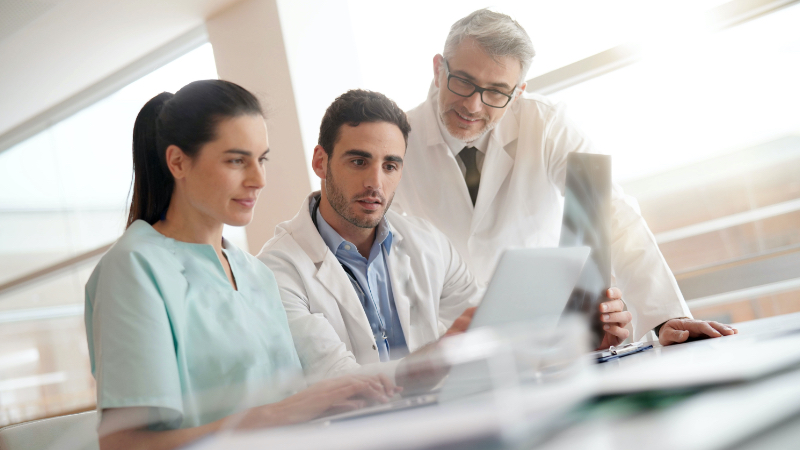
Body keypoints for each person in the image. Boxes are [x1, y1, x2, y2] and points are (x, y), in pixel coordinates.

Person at [393, 9, 738, 346]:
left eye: (496, 92)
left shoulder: (548, 125)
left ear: (519, 92)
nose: (473, 106)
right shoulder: (395, 143)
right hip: (448, 345)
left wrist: (663, 316)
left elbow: (608, 211)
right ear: (439, 69)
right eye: (464, 82)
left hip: (544, 336)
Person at [84, 80, 398, 450]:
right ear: (178, 161)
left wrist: (334, 398)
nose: (258, 179)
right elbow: (124, 444)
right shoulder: (134, 269)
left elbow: (291, 407)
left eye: (261, 159)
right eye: (236, 160)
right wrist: (279, 414)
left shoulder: (255, 274)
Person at [257, 89, 629, 384]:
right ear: (321, 161)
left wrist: (576, 343)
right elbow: (339, 383)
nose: (376, 182)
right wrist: (439, 357)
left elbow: (496, 339)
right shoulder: (277, 269)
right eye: (359, 161)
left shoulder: (426, 242)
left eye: (391, 165)